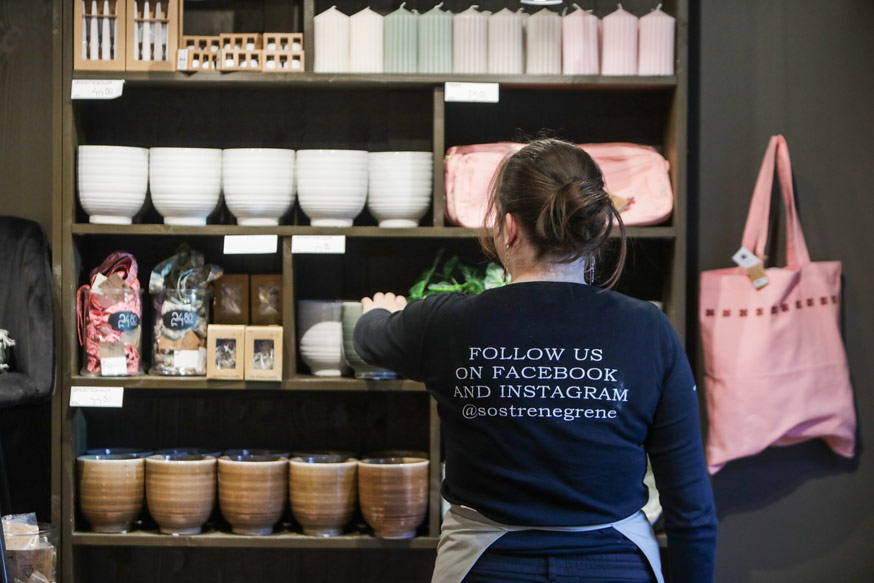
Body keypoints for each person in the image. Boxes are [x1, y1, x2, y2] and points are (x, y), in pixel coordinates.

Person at [354, 139, 717, 583]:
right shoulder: (649, 329)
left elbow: (367, 339)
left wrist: (382, 311)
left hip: (484, 567)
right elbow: (691, 508)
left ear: (508, 228)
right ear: (599, 226)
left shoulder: (446, 322)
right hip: (616, 567)